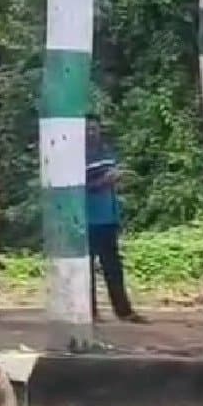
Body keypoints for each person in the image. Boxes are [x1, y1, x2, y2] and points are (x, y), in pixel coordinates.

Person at [85, 114, 147, 323]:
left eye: (95, 128)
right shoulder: (77, 157)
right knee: (87, 269)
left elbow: (112, 180)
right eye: (88, 129)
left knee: (113, 267)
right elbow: (79, 188)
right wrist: (103, 181)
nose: (92, 133)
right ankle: (89, 312)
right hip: (88, 219)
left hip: (108, 217)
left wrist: (119, 179)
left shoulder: (106, 152)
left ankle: (124, 311)